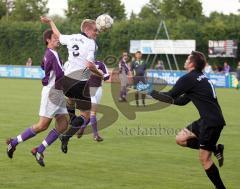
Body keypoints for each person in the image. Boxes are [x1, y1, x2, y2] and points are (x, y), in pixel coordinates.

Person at [137, 51, 226, 189]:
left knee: (204, 159)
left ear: (191, 63)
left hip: (211, 123)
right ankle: (215, 148)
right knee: (181, 138)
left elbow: (170, 95)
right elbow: (182, 101)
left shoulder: (189, 78)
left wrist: (149, 91)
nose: (185, 60)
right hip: (207, 120)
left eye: (187, 59)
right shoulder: (200, 77)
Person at [40, 16, 103, 154]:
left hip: (66, 81)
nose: (96, 33)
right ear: (87, 29)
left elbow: (58, 35)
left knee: (70, 101)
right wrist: (100, 74)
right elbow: (89, 65)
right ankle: (66, 136)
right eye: (95, 31)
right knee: (86, 114)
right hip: (79, 81)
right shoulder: (91, 43)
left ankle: (72, 119)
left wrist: (51, 22)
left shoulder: (72, 37)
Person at [6, 29, 68, 167]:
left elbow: (43, 65)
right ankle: (13, 142)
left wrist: (48, 78)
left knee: (63, 124)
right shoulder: (52, 54)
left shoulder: (50, 54)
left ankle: (39, 150)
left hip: (57, 92)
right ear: (48, 40)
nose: (58, 39)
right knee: (42, 126)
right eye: (55, 37)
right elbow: (59, 74)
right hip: (53, 93)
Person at [76, 60, 110, 141]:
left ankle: (82, 128)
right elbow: (80, 76)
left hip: (97, 89)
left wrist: (99, 74)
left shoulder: (100, 64)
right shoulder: (84, 63)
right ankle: (95, 135)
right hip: (87, 90)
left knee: (91, 112)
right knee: (92, 112)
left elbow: (107, 76)